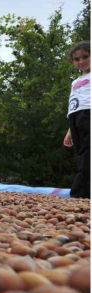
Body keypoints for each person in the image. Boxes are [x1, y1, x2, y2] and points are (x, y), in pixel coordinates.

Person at [63, 41, 90, 199]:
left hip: (89, 115)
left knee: (88, 154)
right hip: (76, 118)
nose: (81, 61)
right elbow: (74, 105)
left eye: (86, 57)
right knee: (81, 154)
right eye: (77, 59)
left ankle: (80, 194)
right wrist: (69, 131)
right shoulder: (75, 82)